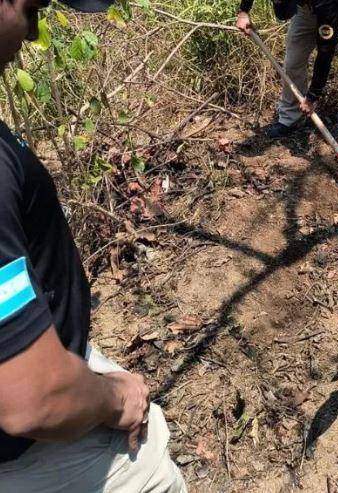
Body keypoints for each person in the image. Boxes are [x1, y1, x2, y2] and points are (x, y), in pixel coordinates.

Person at [0, 1, 186, 491]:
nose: (36, 28)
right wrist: (115, 398)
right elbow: (33, 398)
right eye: (31, 7)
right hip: (36, 449)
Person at [236, 0, 338, 161]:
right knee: (292, 62)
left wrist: (312, 97)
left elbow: (325, 54)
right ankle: (290, 118)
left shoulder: (327, 5)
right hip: (308, 9)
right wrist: (244, 11)